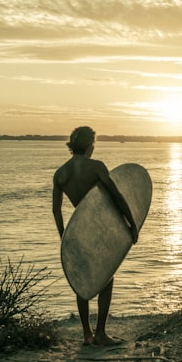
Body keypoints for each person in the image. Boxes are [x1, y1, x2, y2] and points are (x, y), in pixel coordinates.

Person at [52, 126, 139, 345]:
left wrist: (64, 237)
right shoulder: (96, 167)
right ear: (90, 144)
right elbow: (117, 197)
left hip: (77, 233)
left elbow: (56, 209)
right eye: (94, 143)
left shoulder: (61, 173)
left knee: (82, 281)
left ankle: (87, 334)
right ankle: (100, 333)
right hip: (98, 231)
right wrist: (132, 224)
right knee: (106, 278)